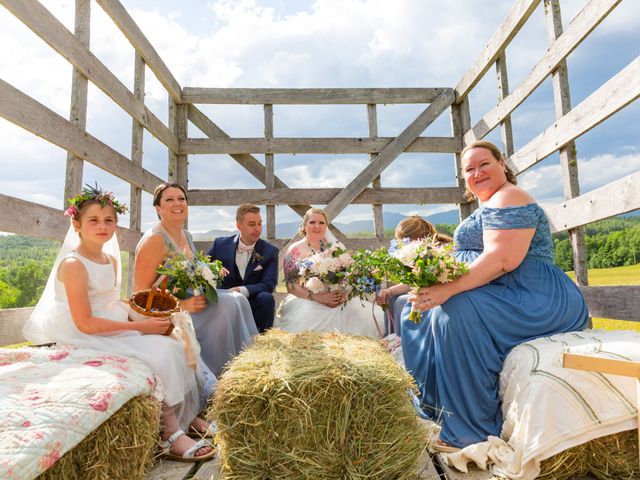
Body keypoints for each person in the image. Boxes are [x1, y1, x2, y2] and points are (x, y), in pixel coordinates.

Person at [402, 141, 588, 451]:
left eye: (483, 164)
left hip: (533, 295)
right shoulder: (488, 204)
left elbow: (504, 260)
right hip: (505, 289)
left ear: (502, 163)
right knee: (416, 310)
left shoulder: (510, 196)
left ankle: (471, 430)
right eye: (469, 169)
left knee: (457, 307)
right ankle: (439, 407)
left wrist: (447, 289)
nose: (477, 173)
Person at [22, 185, 215, 461]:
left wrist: (148, 315)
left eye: (109, 220)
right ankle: (169, 433)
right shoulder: (74, 264)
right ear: (76, 224)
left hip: (108, 321)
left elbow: (112, 302)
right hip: (82, 330)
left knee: (174, 343)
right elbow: (86, 321)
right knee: (159, 353)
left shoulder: (110, 259)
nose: (103, 226)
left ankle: (188, 416)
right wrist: (141, 327)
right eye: (93, 220)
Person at [134, 184, 257, 377]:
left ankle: (246, 367)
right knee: (229, 305)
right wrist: (183, 305)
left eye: (181, 199)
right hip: (169, 308)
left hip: (193, 296)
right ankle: (219, 373)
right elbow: (139, 292)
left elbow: (193, 270)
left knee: (238, 299)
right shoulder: (155, 239)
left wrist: (211, 272)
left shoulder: (186, 234)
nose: (177, 203)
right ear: (158, 208)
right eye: (169, 199)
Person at [274, 207, 382, 337]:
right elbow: (291, 286)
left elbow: (348, 276)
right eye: (312, 222)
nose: (317, 226)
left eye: (321, 223)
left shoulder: (335, 248)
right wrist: (318, 297)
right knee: (306, 317)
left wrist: (344, 294)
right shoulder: (295, 250)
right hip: (307, 299)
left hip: (335, 300)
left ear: (326, 226)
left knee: (367, 314)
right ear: (304, 226)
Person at [206, 204, 278, 333]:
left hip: (253, 301)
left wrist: (240, 290)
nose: (257, 229)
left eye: (260, 224)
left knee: (267, 298)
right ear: (238, 225)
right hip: (224, 301)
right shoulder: (220, 245)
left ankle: (263, 342)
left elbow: (269, 284)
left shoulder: (270, 251)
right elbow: (203, 268)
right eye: (252, 224)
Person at [375, 216, 452, 336]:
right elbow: (412, 282)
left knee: (401, 301)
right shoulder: (416, 253)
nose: (404, 247)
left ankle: (402, 341)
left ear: (420, 238)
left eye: (406, 241)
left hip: (440, 293)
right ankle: (390, 338)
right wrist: (388, 291)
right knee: (390, 298)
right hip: (424, 290)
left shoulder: (436, 252)